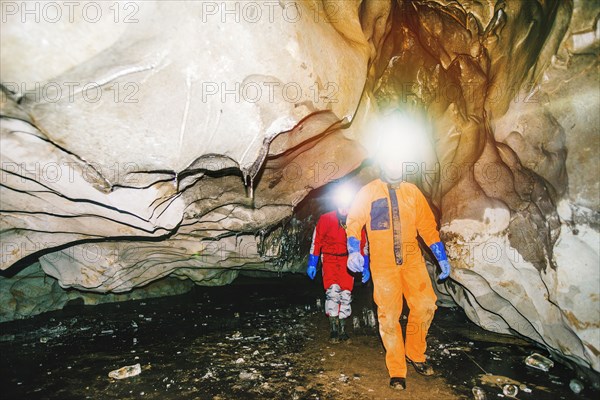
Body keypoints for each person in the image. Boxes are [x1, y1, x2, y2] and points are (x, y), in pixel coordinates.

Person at [345, 112, 452, 390]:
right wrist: (353, 250)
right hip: (384, 266)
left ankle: (415, 352)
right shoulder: (368, 192)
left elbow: (428, 227)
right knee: (389, 316)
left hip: (412, 261)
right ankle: (397, 369)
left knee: (426, 305)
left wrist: (440, 256)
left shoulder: (413, 193)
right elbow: (354, 223)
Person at [307, 186, 368, 343]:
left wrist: (366, 265)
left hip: (348, 261)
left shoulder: (355, 221)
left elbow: (363, 245)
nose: (344, 209)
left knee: (346, 294)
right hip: (329, 259)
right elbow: (317, 241)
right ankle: (333, 329)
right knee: (333, 292)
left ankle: (342, 328)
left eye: (348, 206)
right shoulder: (326, 219)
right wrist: (312, 263)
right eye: (341, 205)